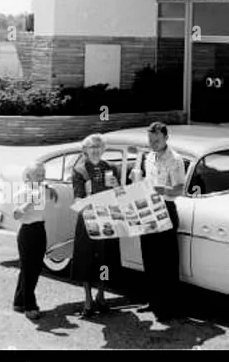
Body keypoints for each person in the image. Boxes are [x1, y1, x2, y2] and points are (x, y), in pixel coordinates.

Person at [133, 122, 186, 322]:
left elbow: (179, 189)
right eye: (150, 140)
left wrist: (160, 190)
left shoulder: (175, 159)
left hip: (165, 210)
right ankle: (153, 301)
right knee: (150, 259)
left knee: (167, 262)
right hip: (149, 210)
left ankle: (169, 307)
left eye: (156, 140)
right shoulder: (148, 157)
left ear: (166, 138)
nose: (153, 144)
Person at [71, 133, 122, 318]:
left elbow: (118, 194)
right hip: (88, 219)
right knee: (86, 259)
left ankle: (101, 295)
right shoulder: (79, 170)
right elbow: (77, 196)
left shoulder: (110, 167)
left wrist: (117, 187)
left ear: (103, 149)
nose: (95, 150)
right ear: (85, 150)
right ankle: (87, 299)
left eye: (99, 147)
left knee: (105, 259)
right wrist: (83, 199)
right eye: (92, 147)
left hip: (106, 218)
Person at [12, 162, 59, 320]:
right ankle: (30, 306)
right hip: (27, 232)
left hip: (40, 229)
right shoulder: (22, 192)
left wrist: (49, 188)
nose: (42, 177)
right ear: (27, 177)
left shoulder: (40, 189)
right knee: (29, 270)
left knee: (34, 268)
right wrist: (30, 202)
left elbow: (45, 187)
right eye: (38, 174)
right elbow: (16, 215)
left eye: (43, 173)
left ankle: (18, 302)